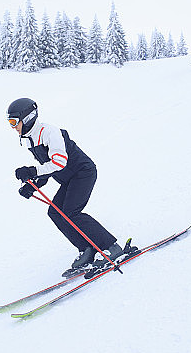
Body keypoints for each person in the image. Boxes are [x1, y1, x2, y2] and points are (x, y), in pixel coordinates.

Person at [7, 97, 123, 276]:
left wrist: (32, 170)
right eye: (10, 122)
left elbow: (59, 163)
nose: (12, 126)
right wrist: (33, 185)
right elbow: (47, 167)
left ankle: (111, 248)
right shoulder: (30, 139)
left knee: (71, 212)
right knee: (55, 212)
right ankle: (87, 250)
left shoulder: (49, 132)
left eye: (14, 121)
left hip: (83, 173)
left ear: (28, 117)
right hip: (69, 179)